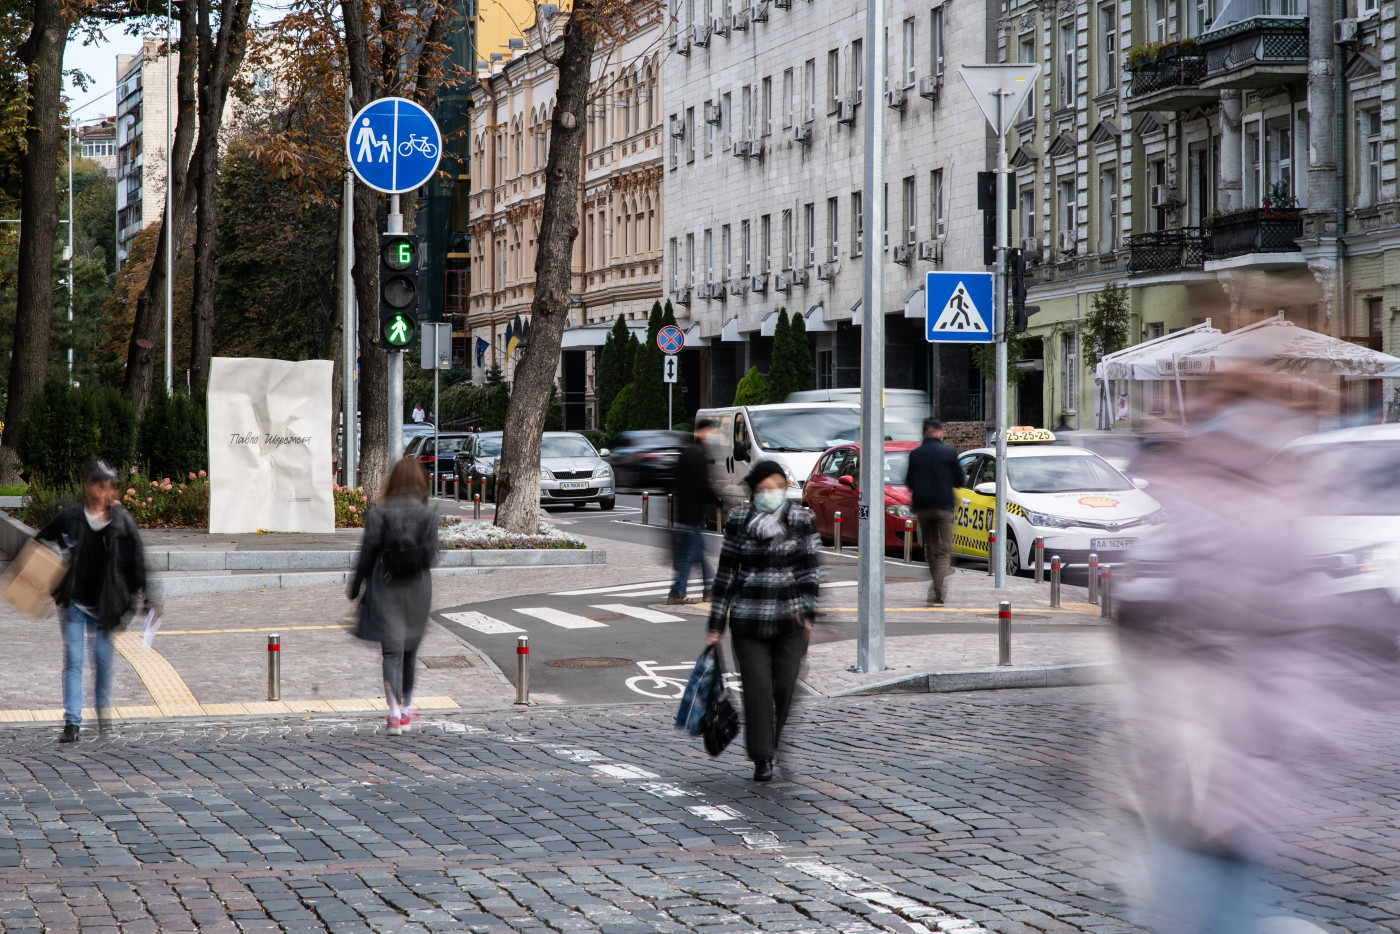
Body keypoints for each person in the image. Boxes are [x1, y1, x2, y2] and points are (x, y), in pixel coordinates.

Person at [706, 461, 820, 782]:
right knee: (756, 690)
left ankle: (773, 739)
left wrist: (809, 614)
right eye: (763, 489)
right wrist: (715, 626)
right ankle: (762, 757)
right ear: (753, 492)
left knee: (785, 686)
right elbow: (726, 574)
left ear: (786, 489)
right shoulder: (739, 521)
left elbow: (810, 571)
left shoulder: (801, 519)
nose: (770, 494)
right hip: (748, 620)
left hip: (791, 620)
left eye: (777, 488)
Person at [35, 458, 151, 743]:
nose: (104, 488)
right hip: (75, 602)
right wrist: (46, 578)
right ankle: (72, 723)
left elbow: (137, 562)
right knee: (74, 660)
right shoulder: (71, 517)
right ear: (87, 484)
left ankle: (102, 714)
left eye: (109, 483)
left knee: (102, 661)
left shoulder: (123, 523)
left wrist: (148, 599)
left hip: (107, 605)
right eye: (99, 482)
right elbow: (41, 541)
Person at [348, 458, 440, 736]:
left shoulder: (379, 515)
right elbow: (432, 557)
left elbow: (366, 556)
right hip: (418, 590)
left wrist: (355, 587)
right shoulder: (429, 516)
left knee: (391, 653)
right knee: (411, 651)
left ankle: (393, 714)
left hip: (384, 587)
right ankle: (408, 709)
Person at [906, 418, 964, 605]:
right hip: (943, 507)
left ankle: (936, 588)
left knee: (931, 548)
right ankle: (938, 591)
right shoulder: (948, 452)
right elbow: (960, 480)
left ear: (924, 433)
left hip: (923, 508)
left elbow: (909, 481)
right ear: (940, 433)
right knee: (944, 551)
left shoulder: (915, 454)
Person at [668, 420, 720, 605]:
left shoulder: (691, 451)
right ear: (701, 432)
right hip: (690, 515)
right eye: (711, 431)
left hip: (687, 513)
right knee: (690, 556)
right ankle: (678, 592)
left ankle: (708, 590)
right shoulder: (696, 453)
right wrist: (718, 500)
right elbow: (701, 485)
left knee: (697, 554)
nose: (714, 434)